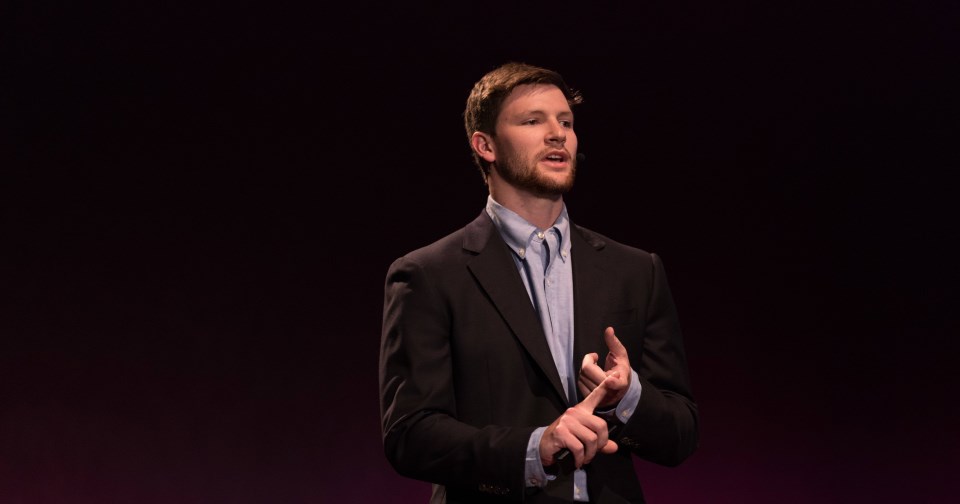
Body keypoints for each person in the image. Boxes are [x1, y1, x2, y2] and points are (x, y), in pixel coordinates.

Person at [379, 62, 699, 503]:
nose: (558, 134)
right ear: (485, 145)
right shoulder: (429, 275)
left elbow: (680, 435)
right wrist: (535, 449)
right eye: (533, 121)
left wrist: (626, 398)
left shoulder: (635, 270)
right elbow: (410, 435)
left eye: (565, 122)